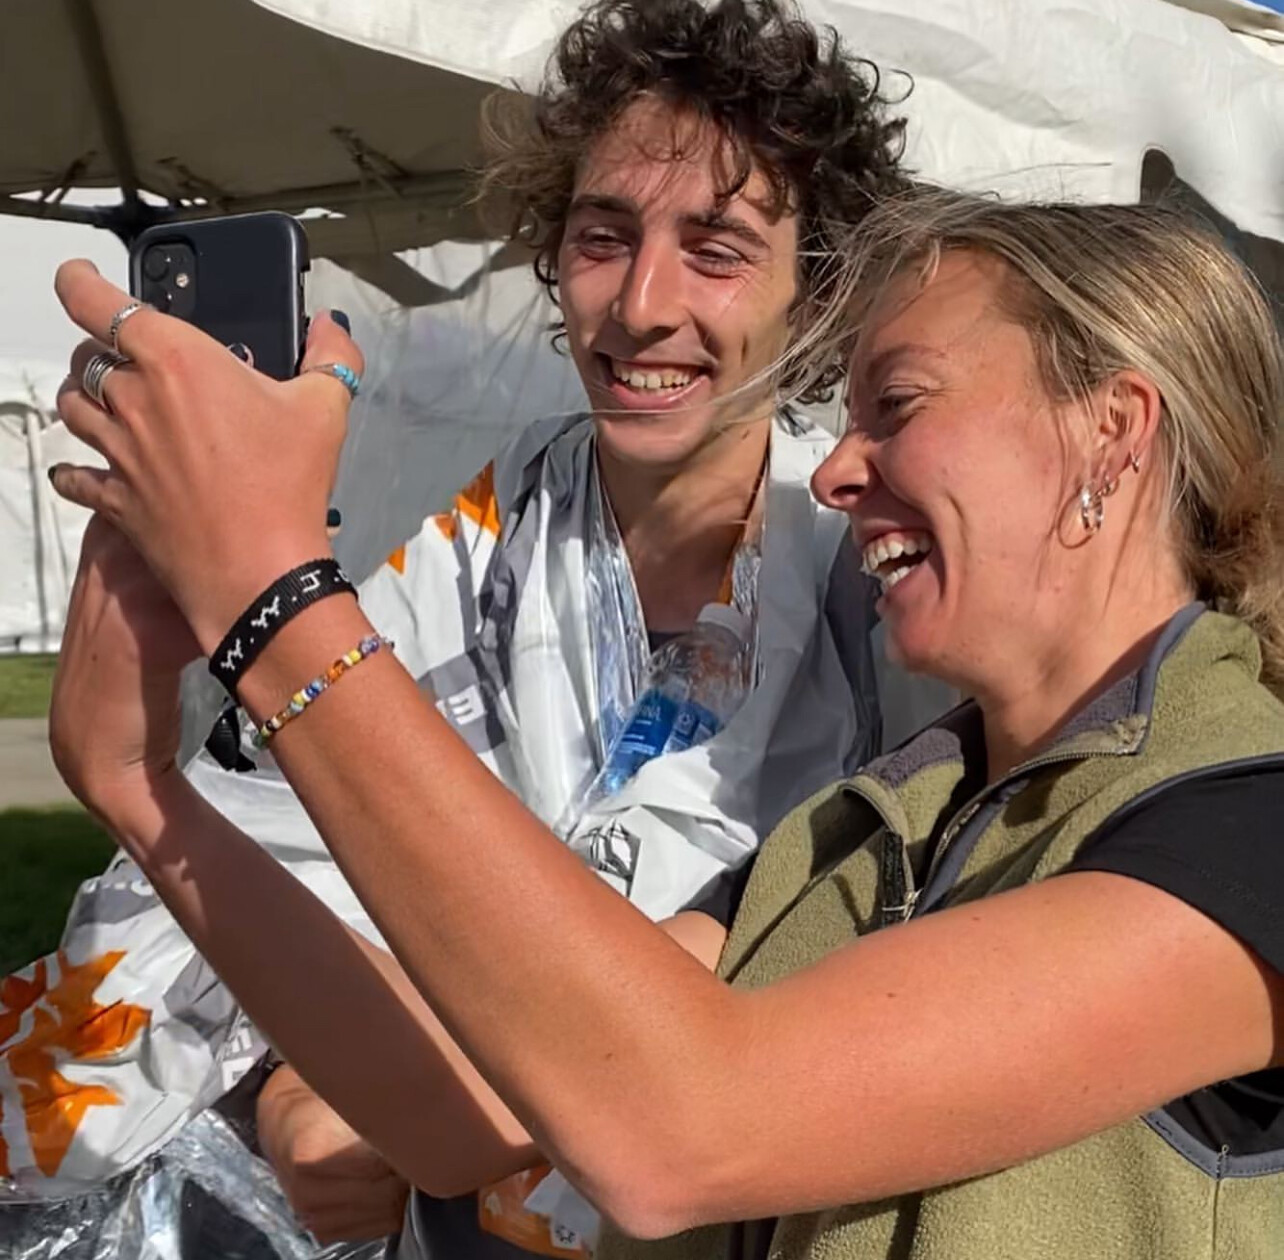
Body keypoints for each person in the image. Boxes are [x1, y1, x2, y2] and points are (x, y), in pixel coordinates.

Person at [47, 178, 1284, 1260]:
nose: (837, 470)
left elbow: (684, 1128)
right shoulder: (868, 828)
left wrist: (274, 603)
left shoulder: (1246, 822)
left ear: (1113, 433)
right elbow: (465, 1111)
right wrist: (143, 790)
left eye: (897, 406)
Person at [0, 2, 927, 1253]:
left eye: (716, 250)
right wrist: (292, 1077)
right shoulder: (489, 538)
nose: (642, 304)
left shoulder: (874, 579)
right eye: (603, 236)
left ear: (814, 294)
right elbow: (295, 821)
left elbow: (725, 997)